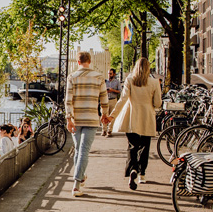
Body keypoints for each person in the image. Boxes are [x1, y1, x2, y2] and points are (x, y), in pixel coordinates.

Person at [103, 57, 162, 190]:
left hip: (132, 117)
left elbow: (123, 100)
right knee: (145, 146)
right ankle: (142, 174)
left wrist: (112, 116)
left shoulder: (130, 80)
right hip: (147, 117)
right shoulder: (154, 82)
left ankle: (133, 169)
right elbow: (158, 103)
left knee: (132, 146)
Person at [65, 51, 109, 197]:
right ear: (90, 61)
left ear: (78, 62)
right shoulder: (99, 77)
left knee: (78, 149)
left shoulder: (72, 77)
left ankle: (78, 181)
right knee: (83, 150)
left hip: (76, 119)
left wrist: (68, 119)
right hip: (91, 118)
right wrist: (105, 114)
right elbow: (104, 98)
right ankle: (79, 181)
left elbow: (68, 100)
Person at [103, 68, 122, 137]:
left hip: (113, 100)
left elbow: (120, 91)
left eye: (110, 73)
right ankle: (104, 130)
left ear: (114, 74)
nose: (109, 75)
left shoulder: (117, 82)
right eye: (108, 73)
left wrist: (112, 90)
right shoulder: (105, 82)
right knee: (105, 114)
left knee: (112, 115)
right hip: (106, 99)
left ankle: (109, 130)